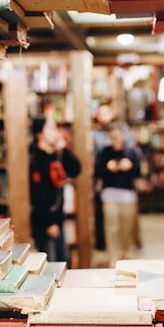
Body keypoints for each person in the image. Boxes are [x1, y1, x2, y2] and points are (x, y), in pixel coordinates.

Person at [29, 115, 81, 263]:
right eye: (51, 128)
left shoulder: (55, 154)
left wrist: (64, 147)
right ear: (39, 133)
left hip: (58, 219)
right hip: (44, 223)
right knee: (51, 265)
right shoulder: (35, 158)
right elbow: (37, 193)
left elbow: (75, 169)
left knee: (64, 261)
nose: (55, 132)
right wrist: (48, 223)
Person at [93, 101, 143, 250]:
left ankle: (128, 250)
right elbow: (98, 166)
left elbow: (137, 165)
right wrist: (108, 167)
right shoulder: (98, 138)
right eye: (100, 114)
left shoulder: (129, 146)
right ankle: (114, 254)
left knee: (127, 225)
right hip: (109, 190)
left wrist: (130, 164)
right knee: (112, 225)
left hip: (127, 190)